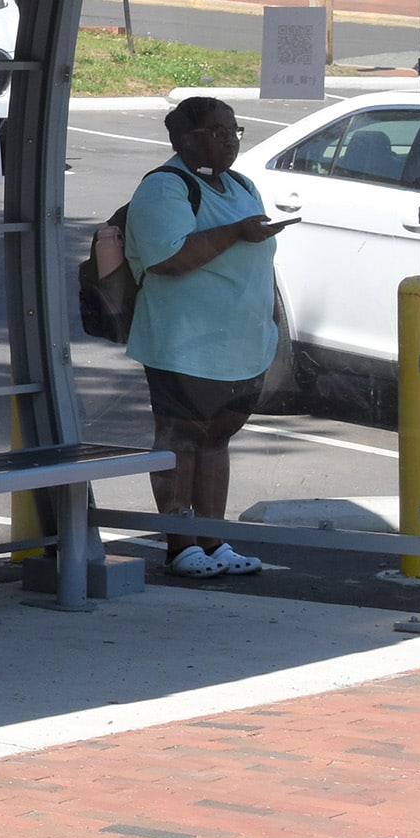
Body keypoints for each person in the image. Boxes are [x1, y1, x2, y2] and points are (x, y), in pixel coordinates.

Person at [123, 96, 293, 579]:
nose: (230, 142)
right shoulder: (165, 187)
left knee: (216, 440)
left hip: (240, 345)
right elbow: (167, 258)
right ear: (185, 139)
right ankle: (180, 546)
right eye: (218, 133)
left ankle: (213, 540)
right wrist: (237, 232)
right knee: (181, 441)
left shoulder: (242, 185)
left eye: (235, 132)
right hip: (183, 345)